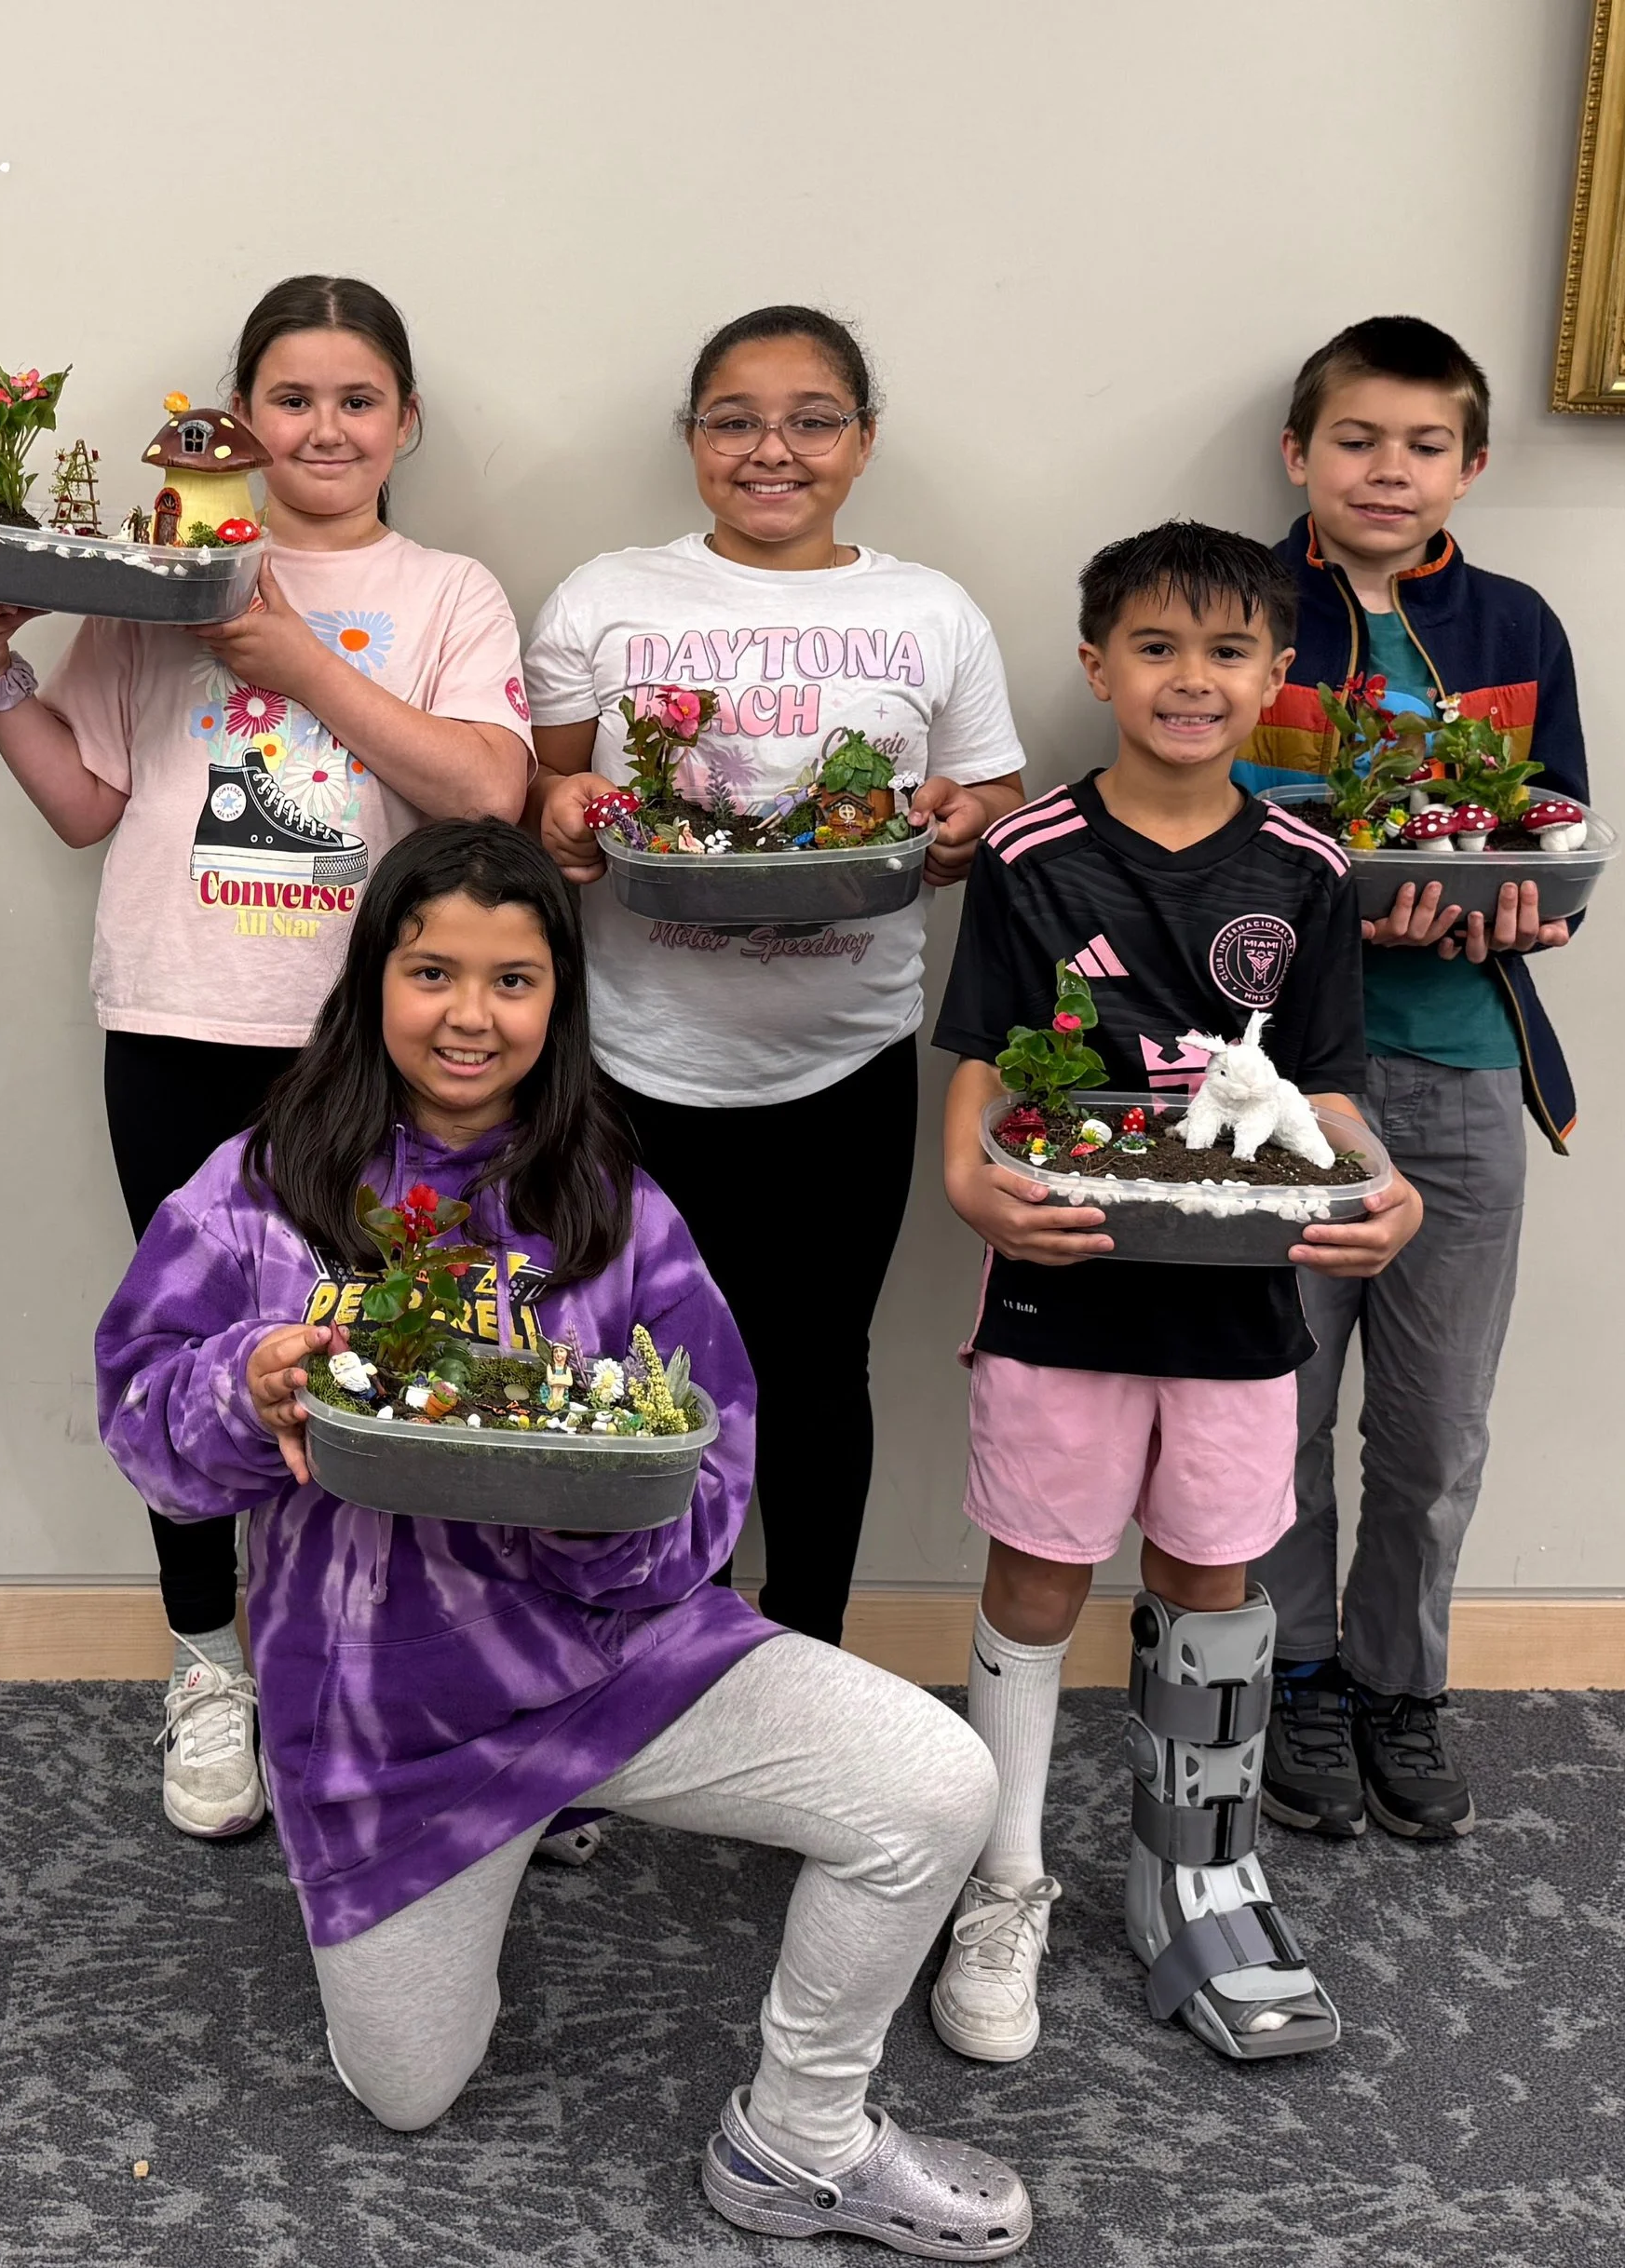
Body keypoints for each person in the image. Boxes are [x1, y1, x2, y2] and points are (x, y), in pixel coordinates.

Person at [96, 820, 1030, 2257]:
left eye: (514, 980)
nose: (471, 1015)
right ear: (374, 980)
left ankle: (803, 2139)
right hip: (385, 1725)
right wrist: (246, 1384)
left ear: (558, 1000)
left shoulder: (615, 1204)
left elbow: (715, 1455)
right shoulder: (262, 1187)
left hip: (618, 1670)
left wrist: (601, 1531)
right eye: (433, 973)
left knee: (934, 1785)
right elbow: (141, 1420)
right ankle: (492, 1853)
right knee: (408, 2096)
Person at [0, 277, 531, 1843]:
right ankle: (212, 1669)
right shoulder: (159, 577)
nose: (323, 428)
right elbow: (83, 804)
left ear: (405, 421)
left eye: (356, 400)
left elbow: (488, 799)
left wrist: (291, 653)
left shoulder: (450, 591)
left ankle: (385, 1663)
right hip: (181, 1021)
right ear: (242, 421)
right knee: (193, 1361)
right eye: (291, 399)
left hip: (384, 1051)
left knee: (401, 1341)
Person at [928, 523, 1422, 2066]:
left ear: (1279, 678)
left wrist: (1381, 1183)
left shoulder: (1310, 871)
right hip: (1063, 1294)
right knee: (1037, 1582)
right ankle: (1004, 1883)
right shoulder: (1030, 862)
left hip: (1235, 1314)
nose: (1190, 680)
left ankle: (1194, 1873)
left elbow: (1327, 1087)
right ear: (1097, 666)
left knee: (1213, 1580)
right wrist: (964, 1174)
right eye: (1155, 647)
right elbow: (994, 1061)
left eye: (1226, 653)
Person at [525, 305, 1027, 1652]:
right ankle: (637, 1656)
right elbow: (546, 796)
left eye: (813, 419)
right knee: (629, 1377)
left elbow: (992, 799)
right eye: (735, 419)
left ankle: (802, 1656)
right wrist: (566, 817)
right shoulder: (605, 594)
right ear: (692, 439)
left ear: (864, 441)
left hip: (844, 1062)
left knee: (815, 1376)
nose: (773, 450)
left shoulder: (929, 610)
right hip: (635, 1059)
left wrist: (959, 825)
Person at [1235, 317, 1583, 1843]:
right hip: (1274, 1080)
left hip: (1457, 1062)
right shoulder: (1235, 611)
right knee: (1281, 1408)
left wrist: (1530, 903)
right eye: (1358, 440)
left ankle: (1401, 1683)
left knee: (1436, 1425)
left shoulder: (1515, 626)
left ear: (1472, 465)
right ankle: (1296, 1670)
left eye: (1423, 444)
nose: (1390, 470)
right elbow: (1185, 825)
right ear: (1297, 453)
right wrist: (1336, 900)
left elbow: (1563, 850)